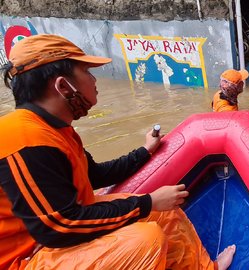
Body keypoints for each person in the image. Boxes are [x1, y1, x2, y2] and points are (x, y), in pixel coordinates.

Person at [0, 34, 235, 270]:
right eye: (87, 72)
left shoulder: (57, 130)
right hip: (26, 259)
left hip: (53, 242)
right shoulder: (25, 141)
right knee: (146, 240)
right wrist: (148, 202)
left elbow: (96, 176)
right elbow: (59, 228)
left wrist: (144, 152)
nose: (94, 81)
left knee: (164, 213)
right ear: (63, 85)